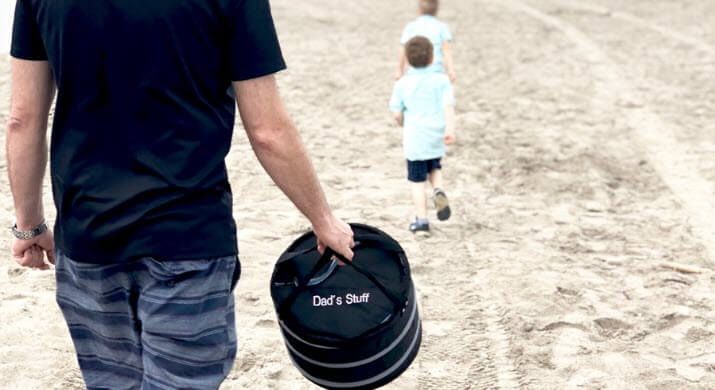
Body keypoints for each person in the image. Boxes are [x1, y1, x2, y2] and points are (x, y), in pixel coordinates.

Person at [7, 0, 354, 388]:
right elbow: (267, 131)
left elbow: (24, 119)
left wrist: (29, 224)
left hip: (88, 235)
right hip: (190, 239)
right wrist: (323, 220)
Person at [390, 36, 456, 235]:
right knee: (434, 166)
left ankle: (422, 221)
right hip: (436, 134)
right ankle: (438, 189)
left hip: (415, 138)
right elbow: (449, 107)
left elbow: (396, 113)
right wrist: (450, 130)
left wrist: (402, 122)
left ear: (408, 60)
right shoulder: (442, 80)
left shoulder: (403, 83)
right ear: (432, 57)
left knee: (417, 181)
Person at [395, 0, 456, 82]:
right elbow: (446, 50)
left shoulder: (410, 27)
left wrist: (399, 70)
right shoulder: (442, 27)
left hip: (414, 70)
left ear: (419, 10)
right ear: (436, 11)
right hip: (436, 71)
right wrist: (450, 70)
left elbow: (403, 49)